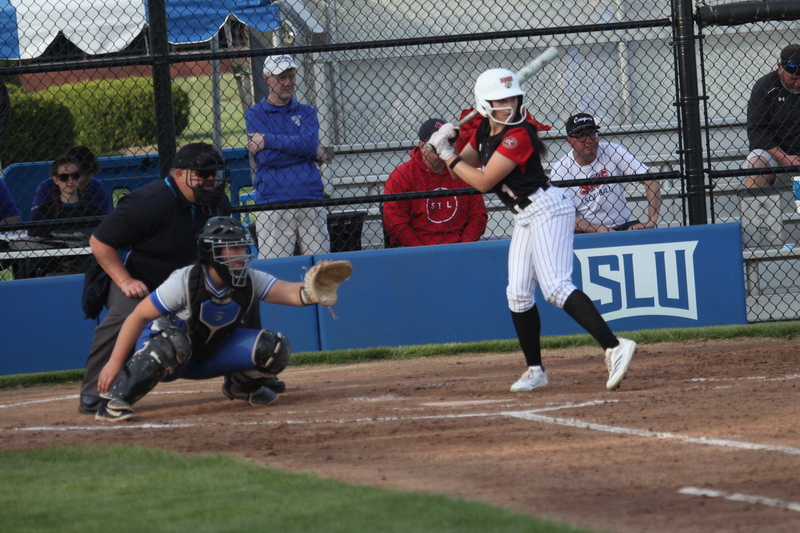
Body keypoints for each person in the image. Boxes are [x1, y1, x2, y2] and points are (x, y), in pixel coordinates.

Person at [426, 68, 637, 392]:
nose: (508, 105)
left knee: (555, 287)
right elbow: (459, 172)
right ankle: (535, 369)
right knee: (518, 294)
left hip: (547, 208)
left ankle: (614, 346)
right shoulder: (482, 128)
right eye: (500, 101)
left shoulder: (519, 134)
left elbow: (483, 181)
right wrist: (452, 145)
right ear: (484, 104)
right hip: (523, 214)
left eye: (512, 98)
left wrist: (446, 152)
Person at [95, 216, 330, 421]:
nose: (242, 255)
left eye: (242, 248)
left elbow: (288, 292)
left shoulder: (248, 278)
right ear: (211, 252)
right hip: (172, 356)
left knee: (275, 348)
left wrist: (314, 290)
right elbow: (138, 316)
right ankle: (116, 400)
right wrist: (114, 363)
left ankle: (240, 386)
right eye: (233, 249)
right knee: (174, 342)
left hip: (210, 352)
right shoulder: (184, 281)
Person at [78, 142, 247, 416]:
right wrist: (124, 281)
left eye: (213, 174)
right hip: (139, 279)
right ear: (178, 174)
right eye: (201, 174)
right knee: (127, 312)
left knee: (240, 297)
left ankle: (249, 376)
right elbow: (99, 242)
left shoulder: (217, 203)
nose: (209, 180)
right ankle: (93, 392)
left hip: (187, 283)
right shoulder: (148, 202)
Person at [245, 54, 330, 259]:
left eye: (291, 77)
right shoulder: (255, 114)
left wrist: (269, 140)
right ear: (266, 78)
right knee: (275, 270)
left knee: (321, 268)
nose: (288, 83)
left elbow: (309, 145)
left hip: (310, 197)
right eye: (281, 78)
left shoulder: (307, 112)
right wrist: (306, 155)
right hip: (273, 200)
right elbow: (266, 159)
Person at [382, 118, 488, 247]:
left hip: (458, 247)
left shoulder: (463, 171)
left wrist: (463, 246)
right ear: (422, 146)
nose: (443, 145)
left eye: (447, 141)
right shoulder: (402, 175)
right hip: (417, 250)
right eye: (437, 141)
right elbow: (394, 221)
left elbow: (478, 216)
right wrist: (421, 250)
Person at [550, 113, 661, 233]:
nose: (589, 140)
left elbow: (651, 179)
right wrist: (600, 229)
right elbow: (566, 215)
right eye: (582, 136)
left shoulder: (612, 150)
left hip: (622, 225)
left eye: (592, 134)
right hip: (586, 230)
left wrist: (652, 221)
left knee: (640, 235)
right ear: (569, 141)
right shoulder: (560, 170)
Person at [744, 43, 800, 189]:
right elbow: (757, 130)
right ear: (780, 68)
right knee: (757, 163)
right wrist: (785, 158)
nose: (798, 83)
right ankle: (758, 211)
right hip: (776, 155)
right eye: (793, 78)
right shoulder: (765, 86)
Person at [30, 146, 113, 219]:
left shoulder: (99, 190)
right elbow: (36, 220)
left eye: (87, 174)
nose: (83, 179)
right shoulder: (46, 188)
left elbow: (106, 223)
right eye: (77, 174)